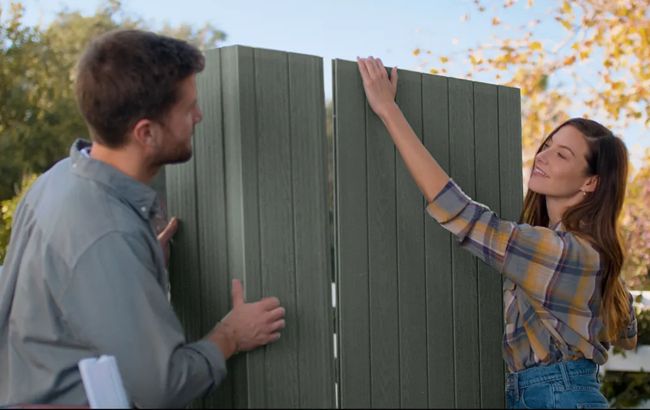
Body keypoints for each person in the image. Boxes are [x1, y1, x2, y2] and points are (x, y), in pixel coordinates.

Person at [0, 29, 286, 408]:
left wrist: (135, 265)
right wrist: (231, 335)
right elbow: (161, 387)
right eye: (188, 109)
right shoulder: (109, 235)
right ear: (146, 133)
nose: (199, 117)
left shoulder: (57, 180)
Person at [356, 56, 637, 409]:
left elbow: (462, 215)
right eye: (547, 144)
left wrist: (387, 110)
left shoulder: (565, 251)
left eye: (562, 155)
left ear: (591, 182)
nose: (543, 156)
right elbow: (628, 334)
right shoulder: (588, 255)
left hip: (557, 397)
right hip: (547, 394)